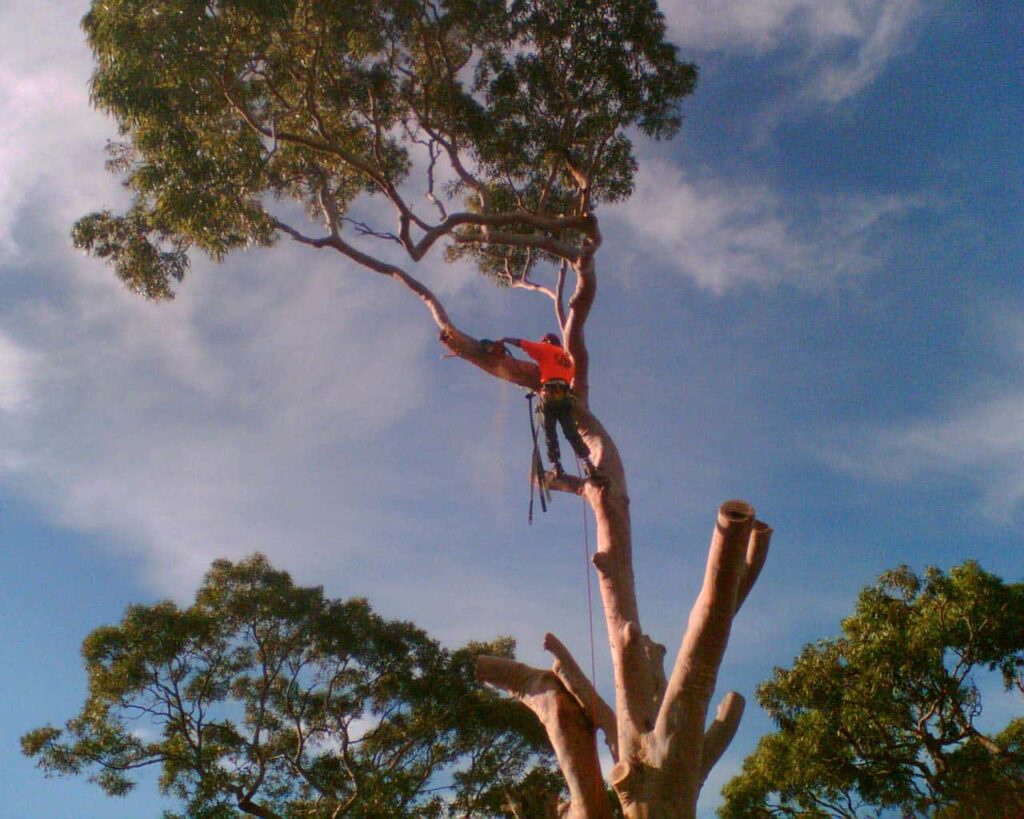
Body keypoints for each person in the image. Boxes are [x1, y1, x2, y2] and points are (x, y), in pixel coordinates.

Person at [499, 333, 599, 479]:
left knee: (550, 432)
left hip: (550, 394)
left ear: (547, 341)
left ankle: (556, 466)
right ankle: (588, 464)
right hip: (565, 396)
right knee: (571, 432)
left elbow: (523, 343)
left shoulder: (545, 348)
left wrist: (505, 339)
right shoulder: (568, 360)